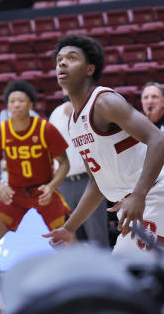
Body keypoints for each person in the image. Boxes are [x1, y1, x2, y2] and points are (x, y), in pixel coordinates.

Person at [44, 35, 164, 255]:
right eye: (59, 60)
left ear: (89, 69)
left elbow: (159, 140)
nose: (62, 63)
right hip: (138, 205)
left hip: (156, 197)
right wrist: (69, 228)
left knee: (125, 278)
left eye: (72, 58)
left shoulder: (104, 102)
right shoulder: (74, 123)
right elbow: (96, 184)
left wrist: (138, 195)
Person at [0, 79, 71, 314]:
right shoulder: (0, 132)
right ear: (7, 106)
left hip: (43, 191)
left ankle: (78, 297)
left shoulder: (45, 128)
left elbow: (64, 163)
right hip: (15, 193)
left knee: (71, 243)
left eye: (21, 100)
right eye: (12, 101)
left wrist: (52, 186)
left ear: (30, 103)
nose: (16, 104)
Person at [48, 97, 109, 246]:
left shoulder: (94, 108)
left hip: (89, 180)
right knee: (72, 240)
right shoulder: (55, 114)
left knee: (97, 238)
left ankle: (104, 269)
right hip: (64, 184)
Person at [140, 82, 164, 170]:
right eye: (146, 97)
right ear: (142, 102)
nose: (149, 101)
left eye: (154, 97)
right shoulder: (136, 127)